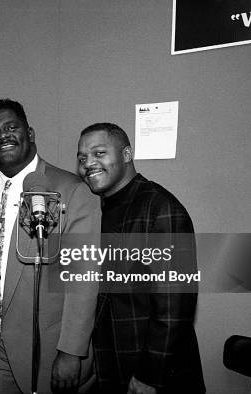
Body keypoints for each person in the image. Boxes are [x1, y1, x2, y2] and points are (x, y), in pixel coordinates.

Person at [0, 98, 100, 394]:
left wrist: (71, 352)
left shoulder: (71, 191)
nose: (2, 136)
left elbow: (84, 279)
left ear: (30, 133)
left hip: (46, 349)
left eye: (11, 127)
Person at [76, 122, 205, 394]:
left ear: (126, 154)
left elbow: (175, 307)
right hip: (113, 362)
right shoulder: (100, 208)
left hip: (155, 373)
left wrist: (150, 374)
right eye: (82, 158)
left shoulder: (160, 208)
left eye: (99, 153)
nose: (88, 163)